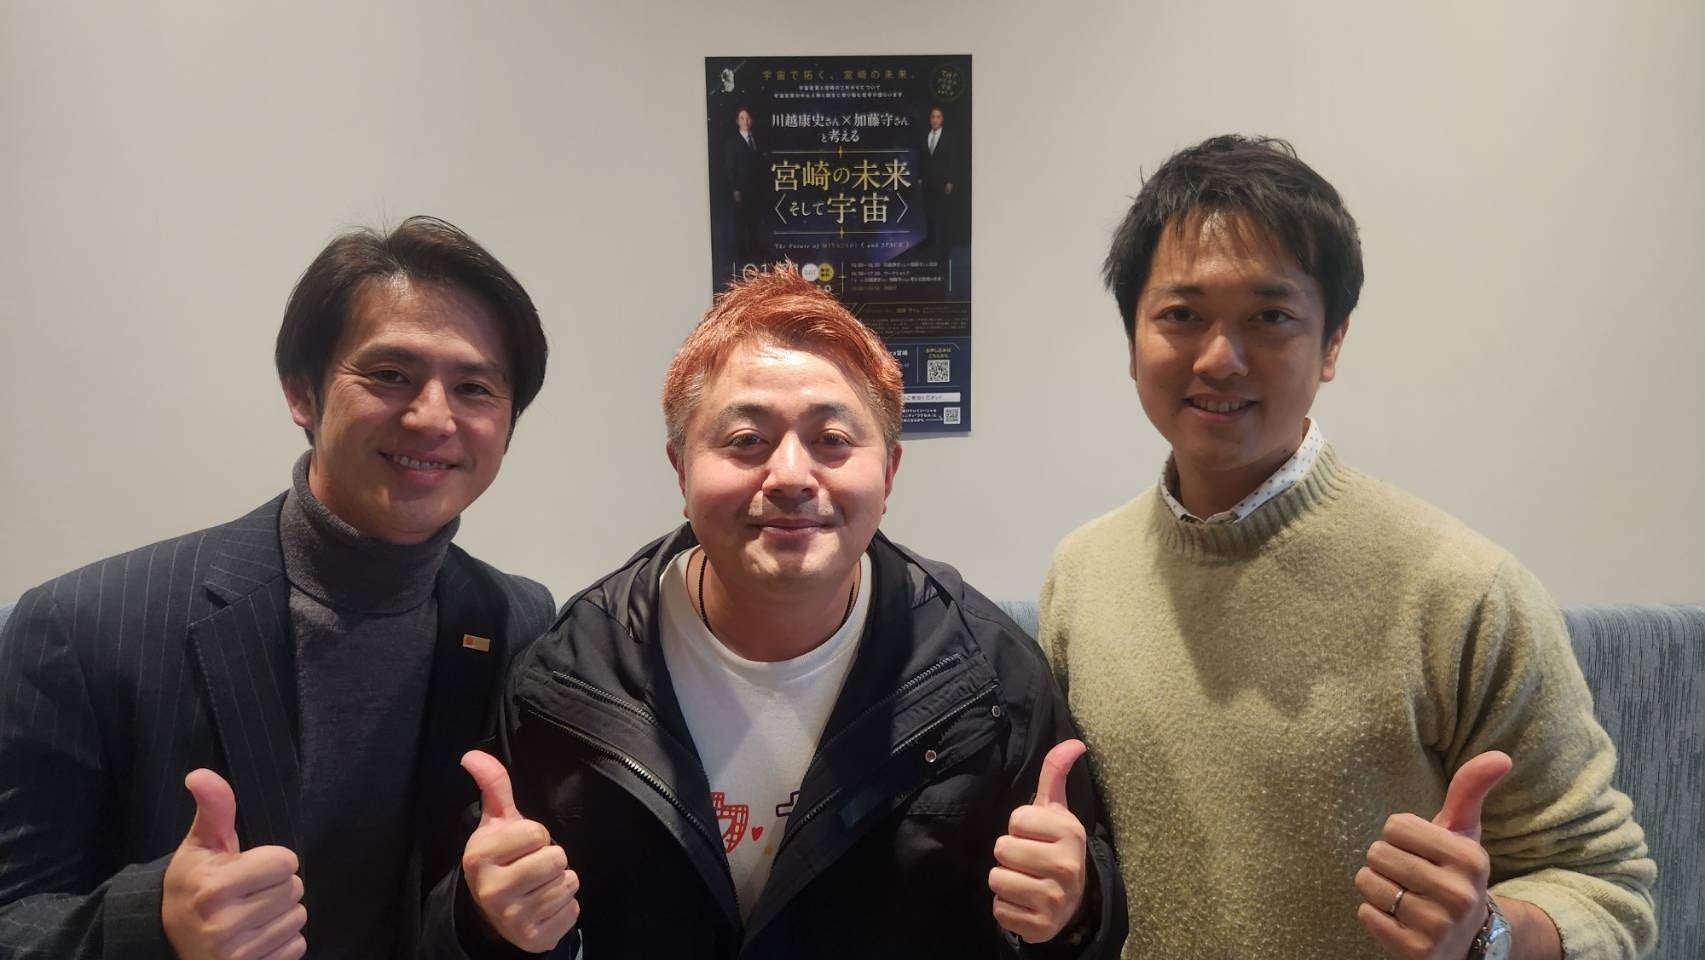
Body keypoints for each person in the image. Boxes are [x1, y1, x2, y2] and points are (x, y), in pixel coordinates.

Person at [1042, 135, 1656, 959]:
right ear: (1131, 340)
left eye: (1269, 317)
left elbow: (1607, 893)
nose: (1220, 358)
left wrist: (1485, 933)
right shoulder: (1081, 575)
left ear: (1331, 343)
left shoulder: (1462, 589)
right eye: (1181, 315)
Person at [435, 264, 1126, 959]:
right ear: (681, 469)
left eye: (832, 441)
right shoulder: (570, 674)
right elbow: (486, 917)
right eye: (745, 441)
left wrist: (1072, 914)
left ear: (888, 472)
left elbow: (1077, 926)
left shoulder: (989, 676)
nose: (791, 476)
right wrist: (487, 923)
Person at [0, 216, 557, 959]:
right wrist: (152, 925)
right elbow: (14, 915)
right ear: (302, 392)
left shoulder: (517, 619)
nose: (433, 417)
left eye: (475, 388)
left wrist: (504, 917)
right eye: (390, 375)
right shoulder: (81, 626)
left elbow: (475, 895)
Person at [725, 107, 767, 267]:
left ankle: (755, 251)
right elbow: (729, 168)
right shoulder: (733, 143)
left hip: (756, 189)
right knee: (741, 222)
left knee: (754, 222)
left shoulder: (756, 140)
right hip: (742, 190)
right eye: (742, 118)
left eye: (748, 118)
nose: (746, 121)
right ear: (737, 121)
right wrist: (735, 189)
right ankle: (742, 256)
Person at [917, 104, 962, 252]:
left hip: (943, 181)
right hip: (927, 181)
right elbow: (922, 159)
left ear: (942, 119)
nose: (935, 120)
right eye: (933, 117)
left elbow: (953, 160)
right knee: (928, 211)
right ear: (930, 119)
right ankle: (930, 240)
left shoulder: (949, 138)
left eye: (938, 117)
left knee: (942, 212)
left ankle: (943, 242)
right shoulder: (926, 136)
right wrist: (920, 178)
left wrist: (951, 181)